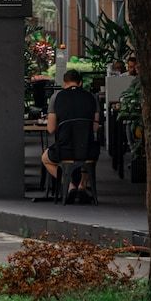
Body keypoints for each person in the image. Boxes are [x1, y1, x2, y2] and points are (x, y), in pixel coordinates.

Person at [41, 69, 100, 203]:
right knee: (92, 159)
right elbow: (95, 127)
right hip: (87, 150)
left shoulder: (56, 98)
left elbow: (50, 129)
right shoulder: (91, 97)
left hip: (64, 150)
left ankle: (70, 186)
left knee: (45, 158)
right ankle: (82, 186)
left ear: (64, 83)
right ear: (80, 83)